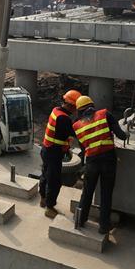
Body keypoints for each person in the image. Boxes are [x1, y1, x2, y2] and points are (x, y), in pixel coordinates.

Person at [72, 95, 128, 235]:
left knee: (87, 192)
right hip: (108, 160)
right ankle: (103, 226)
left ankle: (80, 220)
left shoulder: (77, 126)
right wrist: (125, 128)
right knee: (106, 194)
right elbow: (122, 136)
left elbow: (84, 148)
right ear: (92, 105)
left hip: (91, 162)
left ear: (79, 110)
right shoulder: (104, 114)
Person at [39, 89, 81, 218]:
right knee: (54, 181)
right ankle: (49, 207)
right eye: (76, 107)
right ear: (71, 105)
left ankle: (43, 198)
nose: (76, 110)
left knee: (45, 175)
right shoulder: (64, 119)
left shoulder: (56, 111)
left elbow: (61, 134)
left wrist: (66, 146)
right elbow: (75, 133)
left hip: (46, 149)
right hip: (54, 153)